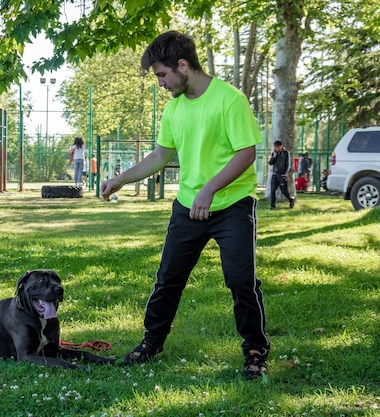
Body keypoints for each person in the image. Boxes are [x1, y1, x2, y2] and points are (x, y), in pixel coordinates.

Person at [100, 30, 270, 379]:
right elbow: (161, 155)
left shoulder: (229, 100)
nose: (161, 83)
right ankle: (152, 342)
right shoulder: (174, 110)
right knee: (168, 278)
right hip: (188, 206)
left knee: (241, 280)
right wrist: (122, 178)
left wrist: (210, 189)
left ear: (182, 65)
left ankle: (255, 350)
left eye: (162, 75)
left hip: (233, 205)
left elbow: (247, 153)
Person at [268, 141, 295, 209]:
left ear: (281, 146)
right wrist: (274, 156)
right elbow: (270, 163)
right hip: (275, 174)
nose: (276, 148)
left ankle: (291, 199)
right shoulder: (274, 153)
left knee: (284, 190)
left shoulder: (286, 153)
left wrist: (286, 173)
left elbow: (288, 164)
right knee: (272, 190)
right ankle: (272, 205)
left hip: (282, 175)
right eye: (275, 147)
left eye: (277, 147)